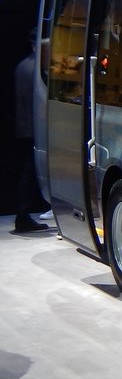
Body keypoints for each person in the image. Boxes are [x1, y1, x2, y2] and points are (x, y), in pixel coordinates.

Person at [13, 37, 49, 233]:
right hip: (32, 128)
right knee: (29, 174)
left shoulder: (23, 66)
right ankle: (23, 215)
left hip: (26, 126)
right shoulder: (33, 70)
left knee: (28, 174)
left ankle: (23, 215)